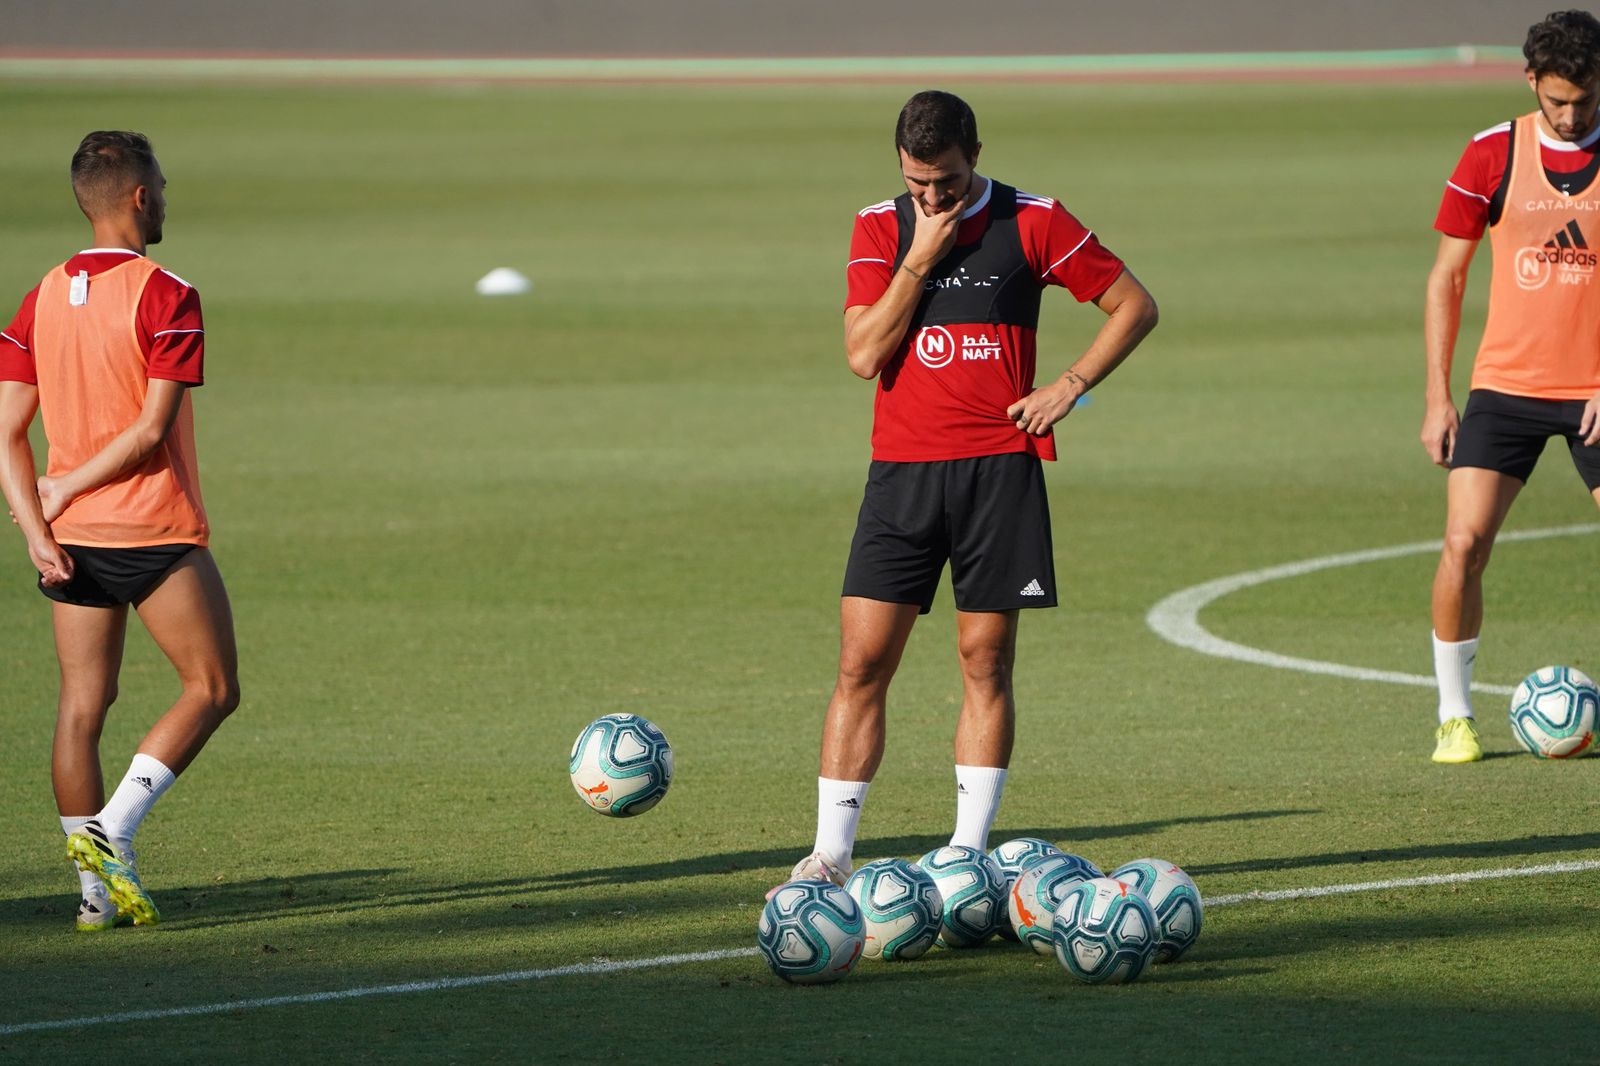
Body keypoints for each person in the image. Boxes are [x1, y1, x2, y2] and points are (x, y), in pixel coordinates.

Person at [783, 91, 1158, 886]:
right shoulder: (881, 229)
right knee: (861, 664)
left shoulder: (1035, 221)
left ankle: (966, 854)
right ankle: (830, 855)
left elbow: (1134, 304)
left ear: (976, 156)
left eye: (946, 183)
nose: (932, 197)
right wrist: (921, 252)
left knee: (985, 661)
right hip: (902, 477)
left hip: (1000, 472)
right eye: (918, 183)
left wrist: (1071, 384)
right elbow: (862, 354)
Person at [0, 130, 240, 928]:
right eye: (162, 184)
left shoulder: (40, 295)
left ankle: (94, 896)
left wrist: (37, 529)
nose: (167, 195)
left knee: (80, 708)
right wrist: (63, 481)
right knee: (210, 688)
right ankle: (116, 825)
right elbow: (147, 432)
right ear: (140, 197)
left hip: (71, 541)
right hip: (154, 531)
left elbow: (5, 435)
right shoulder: (166, 293)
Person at [1423, 10, 1600, 764]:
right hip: (1507, 386)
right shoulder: (1492, 153)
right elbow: (1447, 278)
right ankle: (1454, 716)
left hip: (1595, 387)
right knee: (1463, 543)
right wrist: (1438, 395)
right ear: (1531, 81)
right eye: (1557, 100)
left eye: (1584, 100)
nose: (1570, 114)